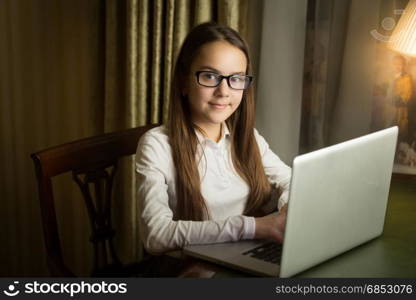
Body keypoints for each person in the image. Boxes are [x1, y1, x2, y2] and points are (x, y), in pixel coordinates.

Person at [135, 22, 291, 255]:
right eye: (210, 76)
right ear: (183, 81)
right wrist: (254, 227)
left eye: (236, 78)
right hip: (191, 271)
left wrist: (288, 207)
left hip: (245, 255)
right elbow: (155, 235)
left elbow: (293, 182)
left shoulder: (248, 138)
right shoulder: (156, 145)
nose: (224, 91)